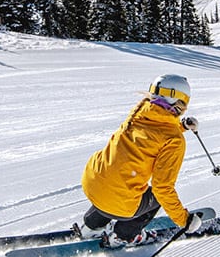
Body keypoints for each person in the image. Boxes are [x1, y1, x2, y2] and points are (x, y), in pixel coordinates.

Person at [76, 74, 204, 248]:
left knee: (117, 180)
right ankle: (124, 236)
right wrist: (184, 220)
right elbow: (162, 189)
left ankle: (91, 226)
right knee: (155, 196)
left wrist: (180, 126)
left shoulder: (139, 112)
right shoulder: (174, 141)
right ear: (182, 101)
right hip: (120, 204)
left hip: (93, 184)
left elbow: (152, 133)